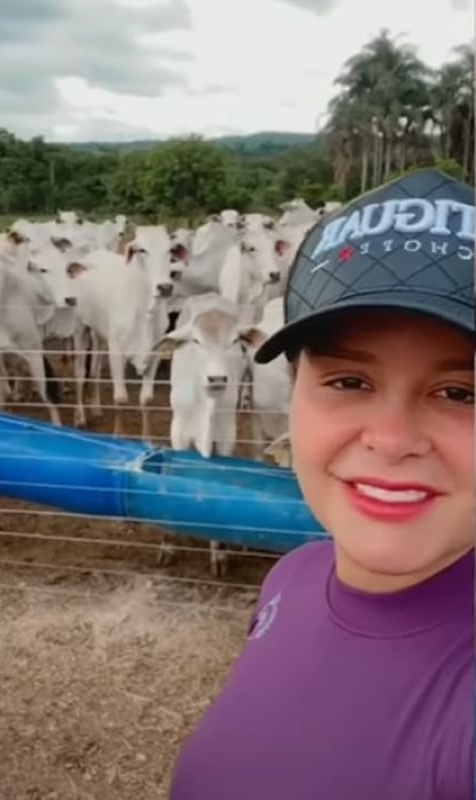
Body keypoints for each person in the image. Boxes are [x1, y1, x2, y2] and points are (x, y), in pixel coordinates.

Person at [168, 168, 474, 799]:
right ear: (294, 394)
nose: (391, 439)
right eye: (348, 382)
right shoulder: (293, 578)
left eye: (460, 393)